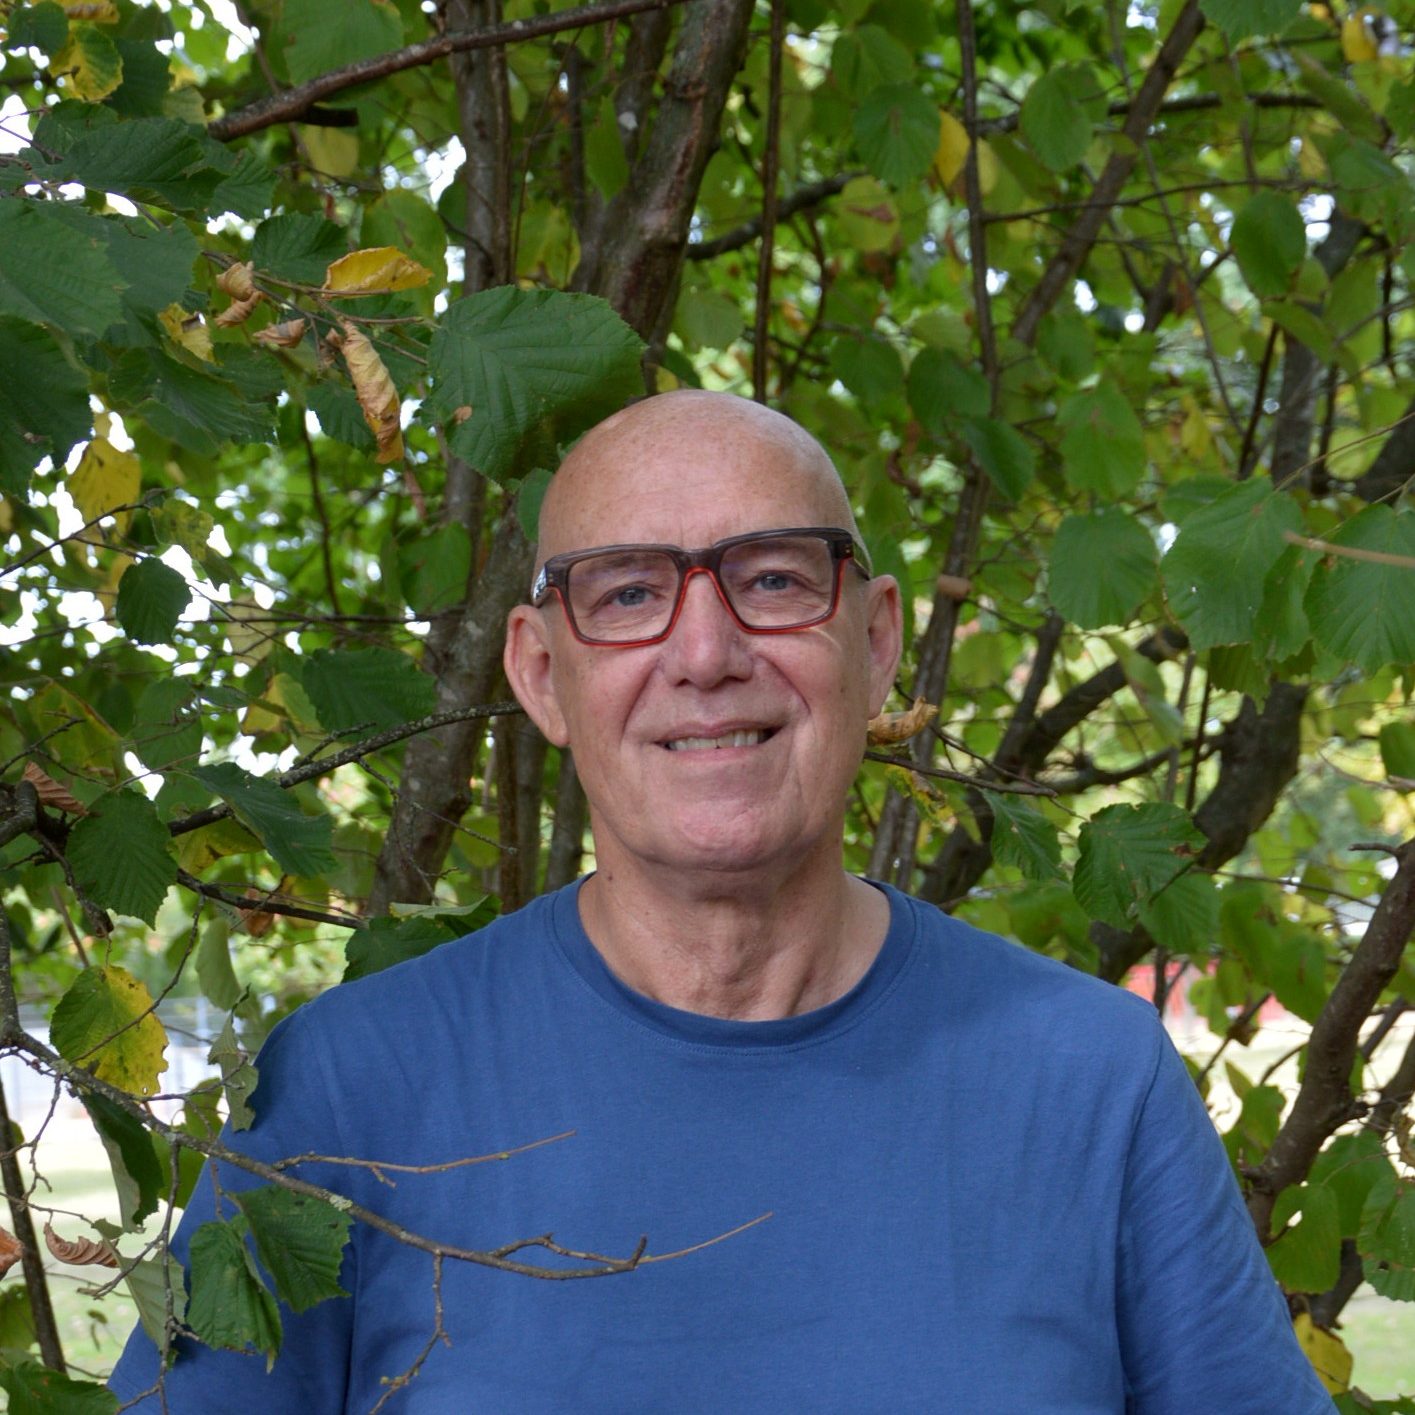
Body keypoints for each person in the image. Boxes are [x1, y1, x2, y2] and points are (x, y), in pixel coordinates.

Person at [111, 391, 1335, 1412]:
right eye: (626, 593)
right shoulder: (344, 1092)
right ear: (539, 672)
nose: (704, 653)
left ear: (875, 642)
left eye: (772, 577)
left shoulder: (1091, 1080)